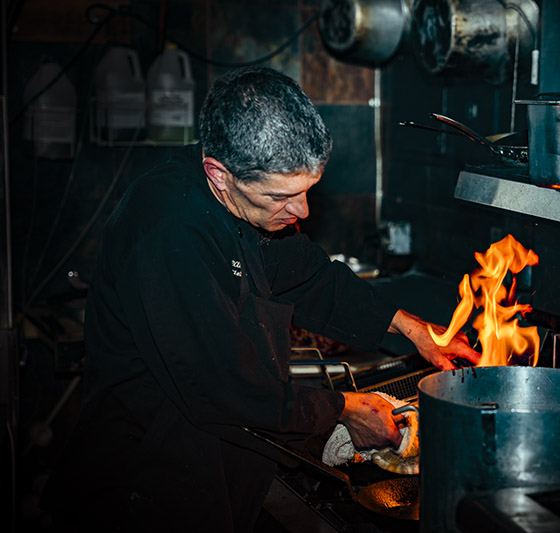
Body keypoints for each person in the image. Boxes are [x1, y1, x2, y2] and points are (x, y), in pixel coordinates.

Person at [40, 66, 479, 531]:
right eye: (282, 197)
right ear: (219, 173)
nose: (302, 211)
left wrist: (413, 329)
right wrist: (344, 410)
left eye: (309, 191)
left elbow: (312, 277)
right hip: (142, 488)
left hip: (207, 474)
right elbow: (223, 388)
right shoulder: (170, 234)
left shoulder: (242, 202)